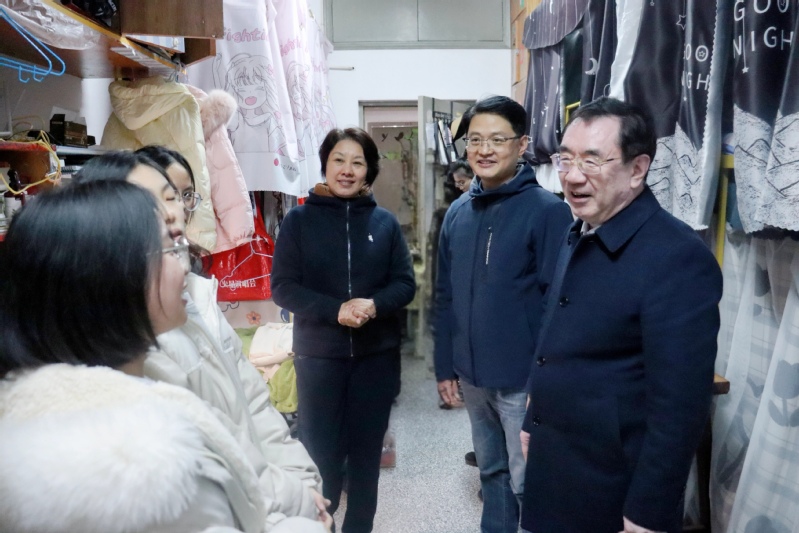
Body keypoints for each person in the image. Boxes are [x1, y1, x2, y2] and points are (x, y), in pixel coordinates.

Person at [0, 181, 294, 532]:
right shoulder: (145, 466)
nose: (186, 265)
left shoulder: (56, 406)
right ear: (108, 278)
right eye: (170, 249)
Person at [74, 150, 330, 530]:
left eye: (183, 195)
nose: (176, 211)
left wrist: (302, 486)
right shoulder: (130, 350)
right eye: (159, 200)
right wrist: (297, 509)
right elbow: (210, 482)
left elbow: (255, 407)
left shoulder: (195, 297)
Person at [519, 97, 723, 533]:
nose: (573, 176)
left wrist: (648, 512)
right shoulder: (580, 229)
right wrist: (531, 419)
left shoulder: (677, 257)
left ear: (637, 169)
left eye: (592, 161)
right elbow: (554, 334)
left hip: (611, 485)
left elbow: (681, 406)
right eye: (566, 159)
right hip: (554, 456)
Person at [433, 95, 573, 533]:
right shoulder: (458, 212)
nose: (484, 150)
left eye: (497, 139)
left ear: (522, 144)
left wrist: (541, 382)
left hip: (521, 382)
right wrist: (445, 366)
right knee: (491, 473)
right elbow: (444, 296)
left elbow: (558, 305)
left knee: (528, 482)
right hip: (473, 378)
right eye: (475, 140)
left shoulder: (547, 211)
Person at [271, 127, 416, 533]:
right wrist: (335, 311)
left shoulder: (384, 223)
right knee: (322, 461)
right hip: (319, 361)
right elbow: (283, 287)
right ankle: (321, 526)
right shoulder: (298, 221)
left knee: (367, 461)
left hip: (376, 360)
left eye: (357, 162)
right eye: (339, 160)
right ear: (325, 165)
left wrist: (374, 305)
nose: (347, 170)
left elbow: (404, 284)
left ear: (369, 170)